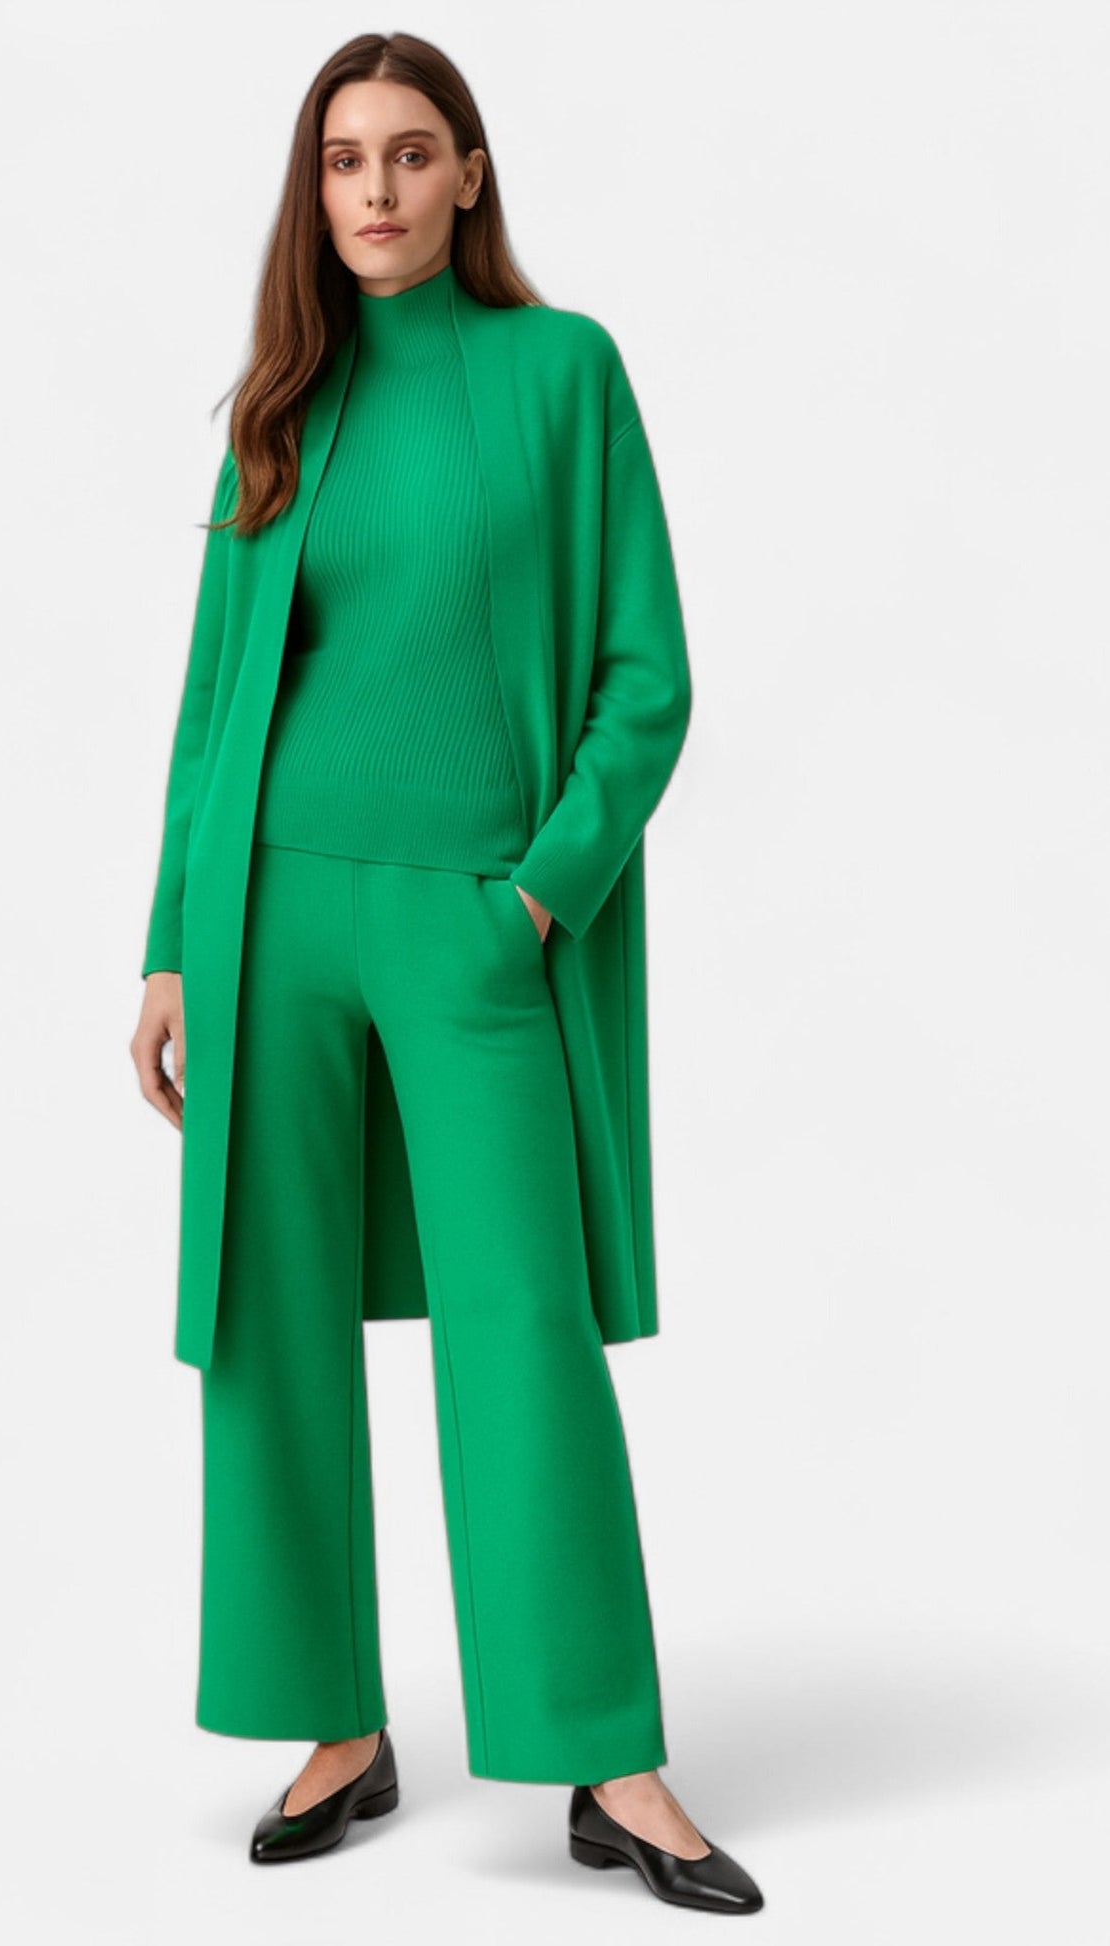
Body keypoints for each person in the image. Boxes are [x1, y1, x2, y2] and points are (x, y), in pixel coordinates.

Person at [130, 33, 763, 1917]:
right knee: (271, 1314)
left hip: (475, 920)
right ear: (313, 190)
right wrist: (170, 943)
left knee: (520, 1322)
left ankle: (607, 1758)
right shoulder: (281, 400)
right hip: (268, 916)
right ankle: (332, 1721)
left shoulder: (561, 372)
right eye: (344, 162)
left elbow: (645, 677)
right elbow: (211, 703)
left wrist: (539, 898)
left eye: (411, 154)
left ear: (470, 173)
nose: (377, 191)